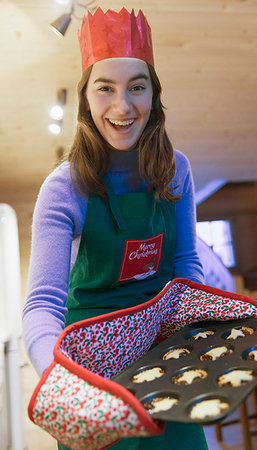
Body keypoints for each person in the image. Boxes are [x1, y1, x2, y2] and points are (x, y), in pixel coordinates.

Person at [22, 7, 207, 450]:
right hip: (92, 371)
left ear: (153, 94)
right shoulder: (64, 187)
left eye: (136, 87)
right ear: (86, 97)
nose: (122, 107)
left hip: (168, 362)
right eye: (105, 89)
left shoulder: (175, 169)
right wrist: (63, 379)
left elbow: (185, 263)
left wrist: (196, 324)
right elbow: (42, 304)